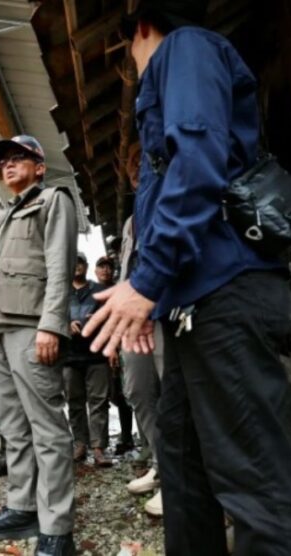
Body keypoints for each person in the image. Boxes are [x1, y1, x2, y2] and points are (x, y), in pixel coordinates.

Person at [83, 2, 291, 555]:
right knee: (186, 473)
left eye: (128, 56)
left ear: (140, 28)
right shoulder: (178, 59)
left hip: (227, 293)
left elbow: (197, 164)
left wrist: (146, 282)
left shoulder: (184, 47)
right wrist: (154, 294)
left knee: (254, 481)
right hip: (194, 303)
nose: (134, 69)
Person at [0, 135, 77, 556]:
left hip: (32, 327)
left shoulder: (53, 201)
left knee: (46, 429)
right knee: (12, 427)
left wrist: (51, 325)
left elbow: (59, 265)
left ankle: (57, 527)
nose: (9, 166)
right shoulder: (1, 216)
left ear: (39, 166)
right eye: (4, 161)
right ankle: (22, 506)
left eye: (19, 158)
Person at [117, 144, 164, 517]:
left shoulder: (166, 198)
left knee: (175, 391)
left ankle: (180, 477)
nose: (137, 172)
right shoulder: (131, 221)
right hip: (132, 321)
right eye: (132, 167)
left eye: (142, 164)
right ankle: (163, 465)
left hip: (166, 312)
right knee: (137, 390)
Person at [63, 254, 112, 467]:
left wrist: (98, 322)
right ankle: (80, 444)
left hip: (97, 354)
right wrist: (66, 325)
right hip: (70, 356)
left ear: (86, 266)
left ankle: (99, 448)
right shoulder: (62, 293)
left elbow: (111, 318)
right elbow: (51, 317)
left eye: (81, 262)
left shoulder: (99, 291)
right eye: (74, 262)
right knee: (74, 402)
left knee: (99, 402)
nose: (77, 266)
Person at [93, 255, 135, 457]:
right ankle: (102, 441)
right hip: (95, 352)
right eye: (102, 267)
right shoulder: (92, 292)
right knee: (105, 396)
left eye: (109, 267)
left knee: (122, 394)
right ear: (96, 270)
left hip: (116, 348)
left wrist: (117, 349)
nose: (106, 271)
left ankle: (126, 436)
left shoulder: (119, 290)